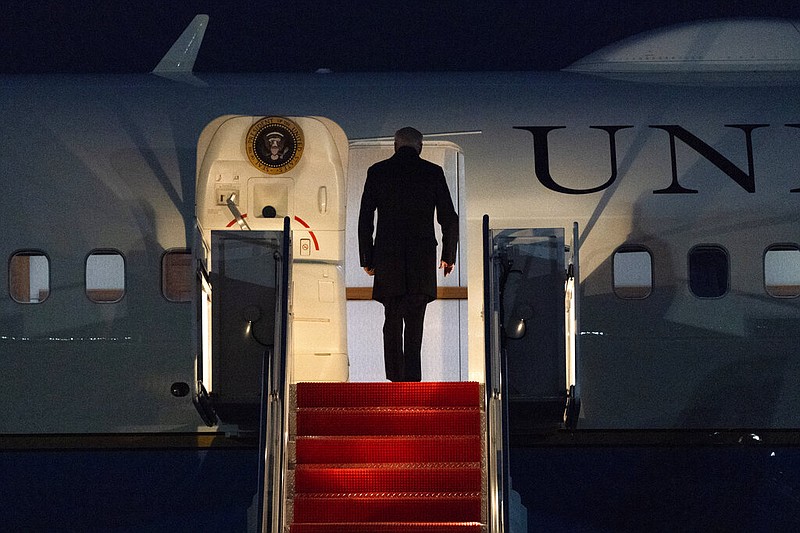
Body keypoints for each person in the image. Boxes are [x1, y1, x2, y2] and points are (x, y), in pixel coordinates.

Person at [358, 127, 459, 382]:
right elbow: (449, 218)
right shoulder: (432, 173)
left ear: (395, 144)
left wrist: (367, 258)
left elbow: (365, 219)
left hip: (388, 259)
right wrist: (448, 255)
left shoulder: (378, 172)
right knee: (415, 325)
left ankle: (394, 378)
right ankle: (412, 381)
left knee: (391, 321)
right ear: (420, 146)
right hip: (421, 261)